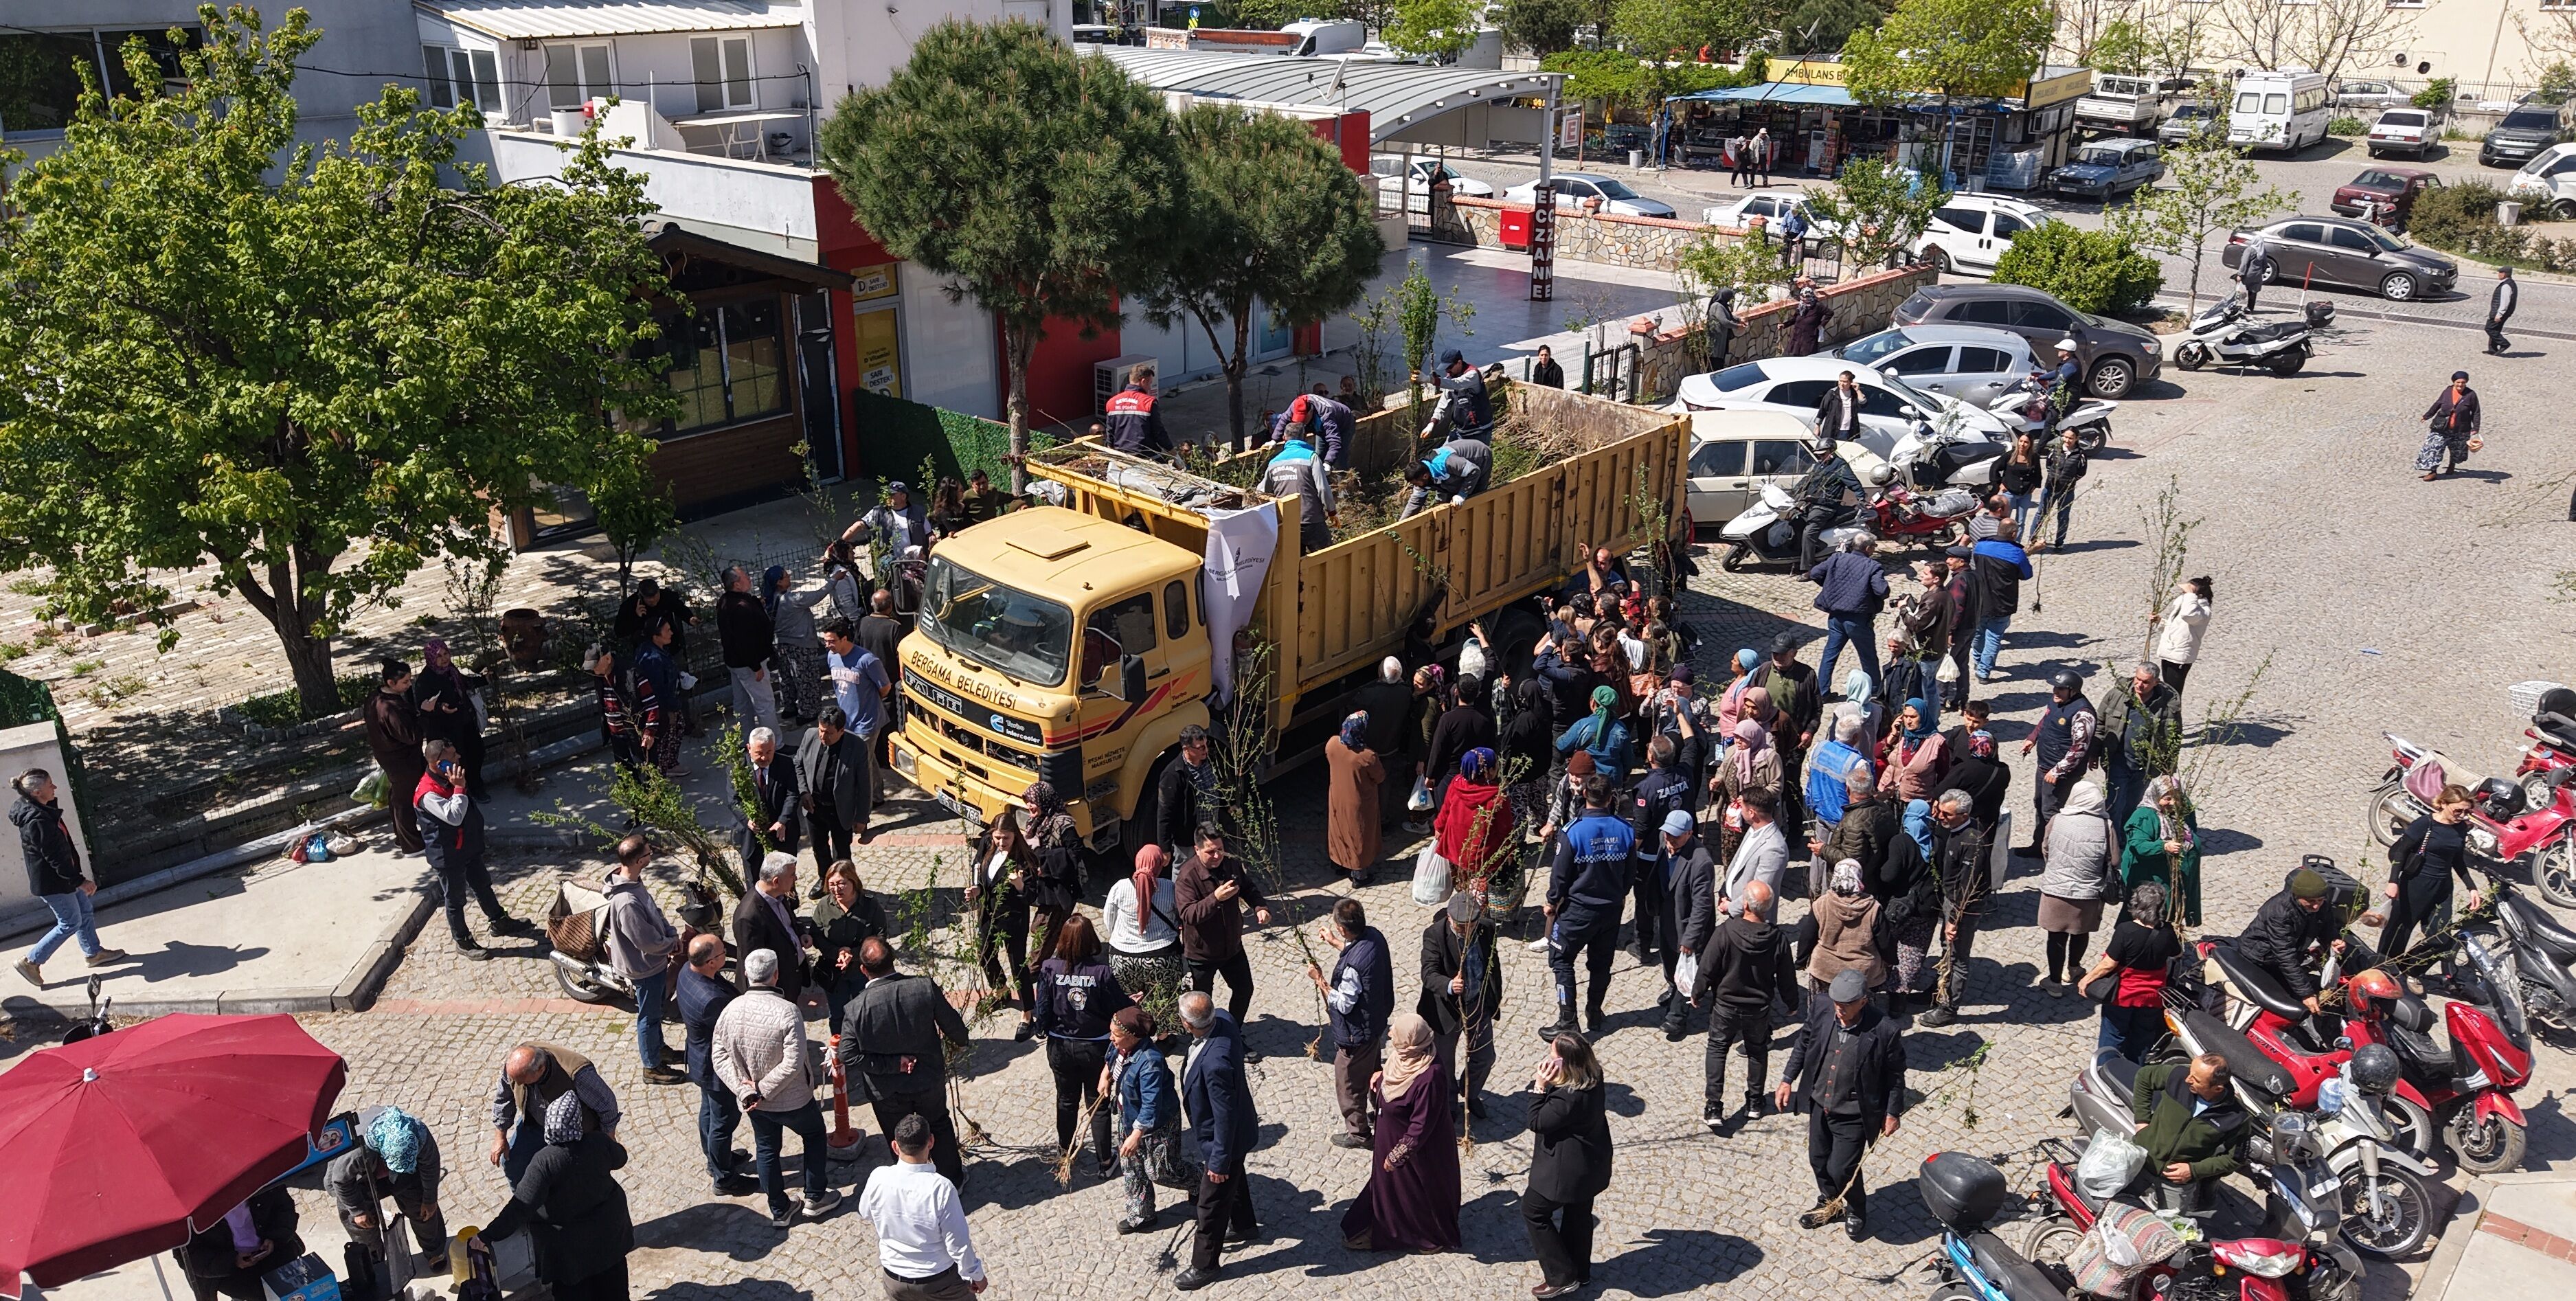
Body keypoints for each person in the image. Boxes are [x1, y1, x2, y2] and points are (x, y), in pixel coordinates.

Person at [1777, 967, 1908, 1240]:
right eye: (1837, 1003)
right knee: (1818, 1160)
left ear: (1863, 1001)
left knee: (1842, 1168)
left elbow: (1895, 1075)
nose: (1839, 1009)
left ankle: (1857, 1208)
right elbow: (1804, 1043)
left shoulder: (1885, 1030)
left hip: (1854, 1113)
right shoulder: (1823, 1008)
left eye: (1846, 1005)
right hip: (1819, 1104)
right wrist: (1788, 1078)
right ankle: (1829, 1203)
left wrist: (1892, 1112)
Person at [714, 947, 839, 1227]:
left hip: (756, 1104)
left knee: (767, 1149)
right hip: (792, 1098)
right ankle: (816, 1197)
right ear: (776, 975)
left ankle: (780, 1209)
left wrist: (746, 1091)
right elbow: (794, 1062)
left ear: (746, 974)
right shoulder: (788, 1011)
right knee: (815, 1136)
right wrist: (761, 1089)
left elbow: (719, 1055)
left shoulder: (730, 1010)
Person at [837, 937, 975, 1186]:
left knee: (899, 1137)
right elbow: (957, 1031)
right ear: (893, 961)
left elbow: (847, 1055)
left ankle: (912, 1186)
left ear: (863, 970)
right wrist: (958, 1042)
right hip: (927, 1079)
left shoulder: (855, 1009)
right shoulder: (923, 987)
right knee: (939, 1127)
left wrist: (892, 1066)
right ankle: (953, 1180)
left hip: (886, 1090)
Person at [484, 1093, 635, 1301]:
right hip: (609, 1237)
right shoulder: (598, 1142)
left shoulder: (545, 1161)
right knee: (615, 1293)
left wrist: (487, 1236)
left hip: (571, 1252)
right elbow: (621, 1158)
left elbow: (521, 1206)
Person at [1340, 1013, 1462, 1253]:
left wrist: (1398, 1155)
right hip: (1388, 1136)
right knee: (1388, 1189)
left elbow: (1422, 1124)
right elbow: (1395, 1073)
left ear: (1412, 1043)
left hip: (1416, 1151)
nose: (1389, 1034)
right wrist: (1382, 1076)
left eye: (1395, 1033)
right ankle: (1377, 1224)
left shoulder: (1430, 1075)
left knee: (1412, 1193)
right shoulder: (1405, 1056)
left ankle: (1419, 1236)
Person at [1033, 914, 1131, 1177]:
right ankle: (1105, 1161)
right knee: (1097, 1103)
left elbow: (1042, 1008)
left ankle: (1065, 1153)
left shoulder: (1049, 969)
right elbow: (1118, 1006)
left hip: (1061, 1045)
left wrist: (1042, 1029)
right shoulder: (1102, 972)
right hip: (1096, 1048)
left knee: (1066, 1100)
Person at [1175, 991, 1261, 1291]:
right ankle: (1245, 1224)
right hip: (1237, 1133)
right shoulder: (1223, 1018)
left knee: (1210, 1203)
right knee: (1236, 1178)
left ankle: (1204, 1265)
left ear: (1188, 1025)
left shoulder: (1215, 1065)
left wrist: (1218, 1161)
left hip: (1223, 1141)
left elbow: (1224, 1117)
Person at [1695, 878, 1795, 1129]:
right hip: (1758, 1009)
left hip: (1726, 1005)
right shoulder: (1778, 939)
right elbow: (1786, 976)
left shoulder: (1726, 932)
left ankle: (1714, 1106)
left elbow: (1708, 967)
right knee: (1758, 1051)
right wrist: (1792, 1002)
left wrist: (1697, 992)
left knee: (1718, 1049)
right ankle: (1755, 1102)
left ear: (1747, 906)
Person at [1541, 773, 1636, 1039]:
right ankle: (1595, 1011)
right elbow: (1630, 874)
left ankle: (1567, 1020)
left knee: (1561, 960)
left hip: (1577, 912)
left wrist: (1551, 901)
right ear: (1610, 798)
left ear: (1585, 795)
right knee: (1601, 964)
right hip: (1611, 910)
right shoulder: (1625, 830)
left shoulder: (1572, 832)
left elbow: (1560, 875)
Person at [1522, 1031, 1614, 1299]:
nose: (1548, 1058)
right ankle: (1580, 1271)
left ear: (1565, 1062)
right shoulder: (1594, 1075)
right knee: (1578, 1215)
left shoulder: (1566, 1098)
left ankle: (1561, 1276)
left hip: (1565, 1171)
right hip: (1591, 1164)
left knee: (1534, 1212)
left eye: (1553, 1056)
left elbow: (1537, 1122)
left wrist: (1539, 1086)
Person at [11, 769, 122, 986]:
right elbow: (56, 858)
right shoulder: (38, 820)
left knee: (85, 911)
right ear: (36, 792)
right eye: (50, 785)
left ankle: (93, 953)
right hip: (54, 883)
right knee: (70, 922)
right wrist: (79, 881)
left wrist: (75, 878)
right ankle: (31, 961)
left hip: (62, 878)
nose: (54, 788)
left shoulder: (39, 807)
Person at [416, 739, 525, 960]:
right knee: (455, 900)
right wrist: (459, 788)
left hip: (466, 847)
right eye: (453, 756)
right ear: (439, 764)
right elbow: (454, 817)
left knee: (483, 885)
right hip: (448, 856)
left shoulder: (449, 779)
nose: (458, 758)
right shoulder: (428, 794)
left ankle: (498, 921)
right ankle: (463, 941)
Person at [859, 1113, 986, 1300]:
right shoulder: (941, 1188)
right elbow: (958, 1244)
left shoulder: (878, 1177)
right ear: (931, 1142)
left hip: (894, 1280)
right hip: (940, 1282)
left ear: (895, 1146)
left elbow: (865, 1213)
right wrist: (976, 1275)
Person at [1308, 896, 1394, 1149]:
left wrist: (1320, 980)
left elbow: (1344, 1003)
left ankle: (1359, 1134)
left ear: (1343, 928)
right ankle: (1384, 1112)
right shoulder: (1374, 937)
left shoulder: (1352, 966)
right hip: (1376, 1021)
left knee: (1348, 1084)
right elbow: (1360, 961)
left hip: (1356, 1033)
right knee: (1373, 1071)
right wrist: (1336, 943)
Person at [677, 934, 760, 1195]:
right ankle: (724, 1178)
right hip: (715, 1067)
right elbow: (736, 1032)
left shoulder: (687, 971)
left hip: (699, 1058)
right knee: (723, 1120)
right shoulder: (711, 1000)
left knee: (709, 1113)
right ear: (711, 962)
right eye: (723, 952)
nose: (727, 953)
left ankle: (715, 1159)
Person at [600, 835, 684, 1082]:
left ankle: (659, 1050)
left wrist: (669, 931)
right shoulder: (627, 901)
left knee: (656, 1012)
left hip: (653, 963)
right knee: (648, 1017)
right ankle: (652, 1067)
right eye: (649, 854)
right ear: (639, 860)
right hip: (644, 968)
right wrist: (671, 944)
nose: (652, 856)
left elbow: (653, 912)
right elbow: (645, 941)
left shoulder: (635, 883)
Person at [1105, 1005, 1195, 1234]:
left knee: (1162, 1171)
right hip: (1128, 1116)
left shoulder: (1150, 1062)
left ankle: (1201, 1182)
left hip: (1157, 1124)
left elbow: (1151, 1104)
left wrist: (1137, 1134)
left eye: (1116, 1035)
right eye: (1111, 1033)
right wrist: (1105, 1076)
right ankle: (1141, 1215)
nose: (1111, 1039)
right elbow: (1110, 1060)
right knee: (1132, 1166)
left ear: (1134, 1037)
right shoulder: (1121, 1046)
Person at [327, 1106, 447, 1276]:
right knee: (359, 1221)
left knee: (424, 1209)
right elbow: (340, 1180)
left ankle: (434, 1251)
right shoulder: (358, 1152)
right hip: (362, 1180)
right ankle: (374, 1262)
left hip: (407, 1175)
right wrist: (358, 1211)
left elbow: (430, 1167)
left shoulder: (420, 1136)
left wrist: (430, 1200)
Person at [1177, 822, 1273, 1031]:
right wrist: (1215, 898)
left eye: (1220, 849)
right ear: (1197, 850)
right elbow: (1188, 915)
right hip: (1202, 954)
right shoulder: (1187, 876)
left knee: (1244, 989)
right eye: (1211, 852)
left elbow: (1248, 888)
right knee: (1202, 1003)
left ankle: (1233, 1031)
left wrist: (1259, 906)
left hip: (1232, 948)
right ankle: (1205, 1037)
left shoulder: (1231, 865)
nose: (1217, 856)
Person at [2126, 1053, 2246, 1215]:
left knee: (2173, 1227)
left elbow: (2234, 1159)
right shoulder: (2177, 1076)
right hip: (2142, 1160)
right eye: (2190, 1072)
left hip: (2176, 1181)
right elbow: (2144, 1076)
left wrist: (2193, 1170)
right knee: (2115, 1201)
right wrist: (2142, 1120)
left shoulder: (2236, 1118)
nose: (2188, 1079)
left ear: (2217, 1088)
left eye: (2196, 1079)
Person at [488, 1041, 622, 1186]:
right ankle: (530, 1205)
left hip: (575, 1136)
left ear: (540, 1069)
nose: (518, 1084)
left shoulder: (577, 1073)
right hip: (537, 1125)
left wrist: (607, 1141)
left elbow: (607, 1106)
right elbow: (504, 1098)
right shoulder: (515, 1067)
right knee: (514, 1166)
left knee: (578, 1182)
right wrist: (500, 1136)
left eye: (524, 1082)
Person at [1421, 890, 1504, 1120]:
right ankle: (1449, 1103)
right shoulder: (1434, 935)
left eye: (1471, 925)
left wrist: (1494, 996)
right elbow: (1428, 974)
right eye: (1461, 926)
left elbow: (1493, 963)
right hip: (1447, 1010)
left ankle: (1470, 1092)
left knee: (1485, 1056)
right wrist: (1449, 985)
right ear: (1449, 919)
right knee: (1444, 1061)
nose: (1466, 931)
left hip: (1478, 1004)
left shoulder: (1486, 928)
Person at [2080, 882, 2181, 1061]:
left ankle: (2105, 1074)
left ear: (2137, 904)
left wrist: (2087, 979)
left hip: (2124, 995)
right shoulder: (2167, 932)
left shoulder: (2126, 930)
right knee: (2142, 1039)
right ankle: (2133, 1073)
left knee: (2113, 1036)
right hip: (2152, 996)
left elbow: (2109, 964)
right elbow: (2177, 953)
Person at [2382, 783, 2482, 963]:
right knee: (2398, 933)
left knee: (2441, 938)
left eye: (2466, 812)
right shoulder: (2424, 824)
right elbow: (2401, 851)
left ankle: (2409, 968)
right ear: (2443, 803)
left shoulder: (2460, 828)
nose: (2462, 816)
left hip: (2442, 888)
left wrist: (2471, 887)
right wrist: (2393, 881)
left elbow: (2457, 859)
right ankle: (2381, 971)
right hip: (2415, 884)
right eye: (2458, 810)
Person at [1918, 790, 1991, 1028]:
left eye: (1947, 814)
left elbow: (1967, 885)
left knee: (1958, 956)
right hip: (1951, 901)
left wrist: (1954, 920)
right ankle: (1939, 991)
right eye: (1940, 811)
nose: (1941, 817)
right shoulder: (1952, 830)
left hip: (1964, 907)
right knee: (1946, 949)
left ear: (1964, 815)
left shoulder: (1973, 841)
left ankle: (1949, 1007)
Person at [2036, 779, 2116, 995]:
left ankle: (2054, 982)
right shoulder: (2105, 825)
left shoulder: (2057, 819)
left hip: (2056, 890)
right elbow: (2115, 859)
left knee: (2056, 936)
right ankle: (2073, 968)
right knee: (2080, 932)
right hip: (2088, 892)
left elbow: (2045, 849)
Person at [2235, 868, 2347, 1015]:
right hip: (2261, 958)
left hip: (2289, 955)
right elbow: (2285, 955)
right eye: (2311, 901)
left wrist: (2333, 940)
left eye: (2320, 901)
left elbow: (2327, 926)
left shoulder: (2321, 904)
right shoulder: (2280, 913)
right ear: (2297, 896)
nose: (2316, 906)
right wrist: (2306, 994)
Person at [964, 811, 1037, 1039]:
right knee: (985, 953)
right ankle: (1001, 990)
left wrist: (1020, 886)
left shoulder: (1024, 859)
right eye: (998, 837)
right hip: (989, 914)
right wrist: (977, 889)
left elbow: (1032, 896)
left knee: (1018, 965)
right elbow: (979, 868)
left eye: (1006, 838)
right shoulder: (988, 844)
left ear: (1015, 836)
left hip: (1013, 919)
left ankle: (1027, 1012)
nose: (1001, 842)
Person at [1103, 844, 1186, 1037]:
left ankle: (1130, 1033)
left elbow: (1110, 920)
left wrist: (1123, 938)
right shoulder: (1168, 887)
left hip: (1123, 957)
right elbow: (1177, 917)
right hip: (1162, 956)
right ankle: (1163, 1036)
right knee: (1164, 997)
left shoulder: (1120, 887)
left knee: (1128, 999)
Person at [1625, 737, 1693, 964]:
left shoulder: (1646, 788)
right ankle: (1672, 942)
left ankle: (1642, 946)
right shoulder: (1685, 773)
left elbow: (1641, 829)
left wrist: (1627, 858)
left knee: (1645, 903)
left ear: (1651, 757)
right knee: (1674, 899)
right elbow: (1691, 745)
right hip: (1682, 849)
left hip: (1651, 856)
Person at [2018, 670, 2098, 854]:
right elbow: (2046, 720)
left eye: (2061, 689)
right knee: (2039, 804)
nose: (2056, 691)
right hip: (2044, 765)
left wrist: (2058, 771)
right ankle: (2038, 846)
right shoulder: (2056, 702)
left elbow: (2079, 748)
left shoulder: (2083, 714)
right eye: (2055, 687)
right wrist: (2032, 738)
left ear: (2073, 691)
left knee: (2051, 812)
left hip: (2059, 773)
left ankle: (2054, 852)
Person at [176, 1186, 300, 1301]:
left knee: (295, 1284)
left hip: (273, 1249)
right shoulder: (189, 1205)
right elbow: (190, 1257)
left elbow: (284, 1208)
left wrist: (274, 1238)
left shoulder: (258, 1179)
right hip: (226, 1269)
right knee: (262, 1294)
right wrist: (233, 1261)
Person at [2099, 661, 2182, 825]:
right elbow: (2100, 724)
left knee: (2133, 805)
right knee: (2114, 803)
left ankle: (2127, 837)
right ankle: (2114, 842)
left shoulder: (2167, 706)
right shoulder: (2117, 695)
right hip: (2118, 762)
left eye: (2146, 682)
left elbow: (2174, 738)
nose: (2140, 685)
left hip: (2145, 767)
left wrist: (2169, 768)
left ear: (2156, 683)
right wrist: (2094, 753)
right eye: (2138, 679)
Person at [1020, 782, 1086, 980]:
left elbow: (1075, 852)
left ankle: (1032, 973)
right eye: (1027, 802)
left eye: (1032, 801)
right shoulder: (1038, 820)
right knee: (1042, 929)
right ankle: (1068, 954)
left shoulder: (1062, 823)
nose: (1029, 806)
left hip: (1060, 889)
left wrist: (1044, 860)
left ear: (1044, 800)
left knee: (1044, 932)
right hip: (1045, 888)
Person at [2121, 775, 2205, 929]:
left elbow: (2192, 829)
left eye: (2177, 798)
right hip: (2153, 879)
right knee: (2152, 917)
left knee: (2170, 916)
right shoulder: (2144, 816)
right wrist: (2163, 847)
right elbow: (2138, 845)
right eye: (2167, 798)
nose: (2173, 803)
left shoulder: (2182, 809)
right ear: (2155, 796)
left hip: (2176, 880)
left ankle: (2168, 939)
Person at [1809, 536, 1887, 694]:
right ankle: (1874, 691)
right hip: (1858, 619)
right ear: (1867, 548)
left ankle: (1822, 692)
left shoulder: (1837, 558)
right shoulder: (1873, 566)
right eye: (1874, 546)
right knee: (1868, 657)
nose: (1875, 549)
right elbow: (1882, 591)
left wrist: (1830, 586)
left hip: (1836, 617)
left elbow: (1815, 573)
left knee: (1830, 654)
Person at [365, 660, 429, 855]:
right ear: (391, 683)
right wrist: (425, 713)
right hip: (402, 759)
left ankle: (401, 837)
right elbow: (411, 736)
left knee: (397, 796)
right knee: (404, 800)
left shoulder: (376, 697)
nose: (409, 685)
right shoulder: (390, 708)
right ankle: (412, 844)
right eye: (405, 682)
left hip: (389, 756)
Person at [412, 637, 487, 800]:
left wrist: (485, 679)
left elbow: (463, 683)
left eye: (446, 654)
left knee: (477, 752)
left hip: (465, 721)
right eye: (439, 656)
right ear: (431, 658)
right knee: (459, 761)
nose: (444, 658)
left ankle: (476, 785)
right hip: (446, 729)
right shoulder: (426, 680)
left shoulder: (450, 670)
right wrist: (440, 708)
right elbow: (422, 705)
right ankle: (463, 791)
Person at [813, 858, 891, 1015]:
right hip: (834, 973)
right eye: (832, 884)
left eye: (841, 883)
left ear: (853, 881)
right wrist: (837, 953)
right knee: (837, 1015)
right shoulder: (824, 905)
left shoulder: (871, 905)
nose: (836, 889)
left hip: (862, 972)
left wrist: (853, 954)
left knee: (865, 1013)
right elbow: (817, 935)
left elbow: (880, 938)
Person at [732, 852, 811, 1004]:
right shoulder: (748, 918)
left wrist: (800, 934)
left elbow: (788, 921)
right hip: (778, 988)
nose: (796, 878)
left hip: (792, 976)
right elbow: (756, 966)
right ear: (776, 881)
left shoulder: (779, 894)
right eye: (792, 875)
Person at [797, 705, 872, 864]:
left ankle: (844, 883)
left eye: (829, 733)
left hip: (840, 810)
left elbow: (864, 785)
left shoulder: (857, 747)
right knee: (819, 848)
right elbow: (798, 763)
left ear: (841, 731)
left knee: (842, 853)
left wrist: (861, 817)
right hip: (814, 808)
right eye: (821, 730)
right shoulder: (810, 736)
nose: (823, 737)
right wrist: (804, 791)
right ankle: (824, 879)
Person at [1436, 747, 1516, 892]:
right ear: (1489, 771)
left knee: (1462, 885)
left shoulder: (1456, 783)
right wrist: (1509, 850)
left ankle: (1462, 904)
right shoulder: (1497, 797)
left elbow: (1445, 810)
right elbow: (1505, 829)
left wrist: (1439, 828)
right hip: (1481, 856)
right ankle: (1476, 910)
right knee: (1479, 891)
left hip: (1456, 849)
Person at [716, 565, 783, 736]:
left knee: (742, 704)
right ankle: (774, 744)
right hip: (750, 664)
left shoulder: (726, 600)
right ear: (737, 584)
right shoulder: (741, 608)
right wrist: (756, 666)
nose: (749, 577)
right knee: (765, 703)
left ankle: (746, 740)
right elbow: (744, 641)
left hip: (735, 662)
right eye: (744, 576)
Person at [1805, 861, 1886, 1001]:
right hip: (1862, 972)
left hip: (1825, 968)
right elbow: (1884, 941)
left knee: (1823, 1009)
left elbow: (1808, 935)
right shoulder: (1873, 908)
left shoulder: (1822, 903)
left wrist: (1801, 959)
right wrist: (1890, 961)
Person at [1324, 712, 1387, 887]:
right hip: (1359, 802)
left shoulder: (1332, 744)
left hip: (1337, 796)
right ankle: (1359, 875)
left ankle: (1337, 862)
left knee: (1338, 829)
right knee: (1359, 834)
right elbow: (1380, 777)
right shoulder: (1367, 756)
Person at [765, 565, 833, 726]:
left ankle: (789, 707)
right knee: (806, 679)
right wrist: (834, 581)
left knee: (787, 678)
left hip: (781, 644)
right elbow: (818, 595)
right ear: (779, 582)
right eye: (786, 576)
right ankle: (808, 712)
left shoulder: (769, 600)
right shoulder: (792, 600)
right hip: (800, 645)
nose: (789, 576)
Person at [1966, 523, 2031, 682]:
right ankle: (1983, 671)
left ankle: (1977, 661)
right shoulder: (2017, 553)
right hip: (2003, 602)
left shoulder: (1981, 546)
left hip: (1980, 599)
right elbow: (2026, 575)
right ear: (2014, 533)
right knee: (1994, 637)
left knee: (1979, 633)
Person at [1261, 422, 1338, 552]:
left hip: (1286, 523)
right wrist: (1332, 511)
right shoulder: (1311, 457)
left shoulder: (1274, 463)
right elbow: (1323, 489)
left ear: (1284, 438)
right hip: (1312, 521)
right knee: (1326, 562)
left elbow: (1261, 492)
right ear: (1305, 437)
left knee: (1294, 566)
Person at [1789, 439, 1862, 573]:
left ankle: (1809, 569)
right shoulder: (1819, 465)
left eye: (1823, 454)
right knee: (1795, 522)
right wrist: (1793, 492)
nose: (1820, 457)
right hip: (1812, 504)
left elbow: (1854, 483)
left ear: (1832, 451)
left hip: (1825, 507)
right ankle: (1795, 555)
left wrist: (1861, 498)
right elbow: (1807, 480)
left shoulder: (1840, 466)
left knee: (1809, 532)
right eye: (1818, 455)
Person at [1718, 786, 1788, 918]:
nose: (1740, 811)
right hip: (1735, 905)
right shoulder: (1753, 829)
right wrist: (1725, 889)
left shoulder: (1774, 849)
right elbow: (1738, 862)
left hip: (1751, 917)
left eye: (1742, 807)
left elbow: (1759, 893)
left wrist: (1731, 907)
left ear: (1751, 813)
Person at [1156, 725, 1221, 864]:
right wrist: (1165, 848)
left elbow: (1220, 784)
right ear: (1186, 749)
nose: (1206, 750)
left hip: (1210, 830)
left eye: (1206, 744)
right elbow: (1165, 813)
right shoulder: (1173, 774)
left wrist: (1231, 803)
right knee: (1184, 869)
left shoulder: (1209, 761)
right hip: (1189, 837)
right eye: (1200, 747)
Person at [632, 618, 686, 775]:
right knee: (665, 738)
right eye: (667, 630)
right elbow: (657, 690)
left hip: (669, 702)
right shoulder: (653, 660)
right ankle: (661, 774)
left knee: (677, 730)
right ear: (656, 636)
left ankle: (670, 765)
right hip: (662, 708)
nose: (672, 633)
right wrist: (668, 711)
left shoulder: (654, 650)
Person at [1556, 683, 1636, 782]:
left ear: (1593, 702)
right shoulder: (1621, 729)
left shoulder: (1583, 724)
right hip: (1611, 782)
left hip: (1585, 781)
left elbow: (1562, 745)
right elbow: (1628, 759)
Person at [1878, 699, 1948, 804]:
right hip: (1887, 795)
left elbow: (1943, 774)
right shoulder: (1901, 735)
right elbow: (1877, 754)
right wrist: (1893, 735)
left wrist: (1937, 799)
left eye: (1913, 717)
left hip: (1916, 801)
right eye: (1906, 716)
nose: (1908, 721)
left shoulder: (1937, 743)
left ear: (1922, 717)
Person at [1399, 438, 1492, 517]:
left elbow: (1474, 471)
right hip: (1459, 468)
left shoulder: (1446, 463)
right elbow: (1415, 503)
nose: (1416, 486)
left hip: (1480, 456)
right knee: (1450, 500)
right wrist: (1400, 526)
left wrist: (1462, 494)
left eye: (1416, 484)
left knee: (1475, 496)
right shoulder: (1422, 476)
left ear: (1425, 476)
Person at [2033, 427, 2091, 553]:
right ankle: (2032, 540)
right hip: (2050, 488)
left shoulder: (2080, 454)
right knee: (2041, 514)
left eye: (2071, 438)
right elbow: (2049, 465)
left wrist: (2070, 480)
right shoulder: (2056, 450)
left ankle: (2059, 543)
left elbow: (2082, 472)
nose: (2067, 440)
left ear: (2076, 439)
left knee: (2063, 517)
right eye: (2065, 437)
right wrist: (2053, 477)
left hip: (2067, 490)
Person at [2151, 577, 2214, 694]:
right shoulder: (2185, 606)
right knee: (2167, 692)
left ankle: (2174, 713)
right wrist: (2159, 621)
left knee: (2173, 695)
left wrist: (2190, 594)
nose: (2183, 595)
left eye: (2186, 592)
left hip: (2179, 658)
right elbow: (2175, 628)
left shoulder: (2203, 611)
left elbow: (2188, 615)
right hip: (2169, 654)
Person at [2418, 370, 2481, 481]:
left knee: (2457, 450)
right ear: (2454, 382)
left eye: (2463, 382)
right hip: (2442, 427)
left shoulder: (2471, 395)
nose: (2460, 385)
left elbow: (2476, 412)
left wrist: (2475, 428)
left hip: (2461, 428)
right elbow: (2438, 404)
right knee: (2434, 448)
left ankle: (2452, 465)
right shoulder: (2447, 392)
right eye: (2458, 382)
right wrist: (2428, 415)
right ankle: (2433, 472)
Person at [1426, 349, 1494, 441]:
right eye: (1446, 368)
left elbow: (1457, 384)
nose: (1448, 370)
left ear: (1459, 363)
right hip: (1461, 431)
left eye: (1450, 367)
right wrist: (1433, 422)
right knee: (1446, 453)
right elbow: (1443, 403)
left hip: (1479, 431)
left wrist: (1430, 380)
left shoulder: (1472, 375)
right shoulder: (1451, 378)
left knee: (1475, 455)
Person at [1939, 547, 1977, 711]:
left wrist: (1949, 631)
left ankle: (1940, 700)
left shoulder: (1959, 581)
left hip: (1959, 631)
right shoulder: (1974, 577)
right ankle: (1961, 699)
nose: (1948, 561)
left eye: (1952, 558)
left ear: (1962, 562)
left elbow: (1956, 608)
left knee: (1945, 664)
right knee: (1962, 664)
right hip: (1971, 627)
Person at [1106, 368, 1173, 456]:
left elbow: (1110, 433)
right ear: (1143, 381)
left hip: (1122, 456)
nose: (1150, 388)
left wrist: (1113, 455)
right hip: (1146, 456)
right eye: (1150, 383)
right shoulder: (1148, 402)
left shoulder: (1112, 402)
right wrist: (1174, 454)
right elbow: (1159, 432)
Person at [1992, 433, 2043, 537]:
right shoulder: (2009, 455)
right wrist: (2000, 484)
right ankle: (2003, 542)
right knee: (2005, 520)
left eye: (2026, 442)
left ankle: (2017, 543)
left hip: (2025, 494)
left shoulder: (2034, 457)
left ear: (2030, 444)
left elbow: (2038, 475)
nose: (2023, 444)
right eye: (2021, 441)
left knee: (2020, 522)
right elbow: (1994, 468)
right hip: (2009, 493)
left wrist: (2034, 486)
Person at [1785, 288, 1829, 358]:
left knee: (1808, 357)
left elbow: (1829, 313)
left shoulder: (1818, 306)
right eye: (1802, 297)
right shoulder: (1801, 306)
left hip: (1809, 336)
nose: (1803, 299)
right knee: (1795, 356)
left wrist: (1822, 325)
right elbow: (1795, 319)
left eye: (1805, 297)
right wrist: (1784, 325)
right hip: (1798, 336)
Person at [2237, 236, 2274, 313]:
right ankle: (2250, 308)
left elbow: (2244, 263)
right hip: (2257, 275)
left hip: (2248, 274)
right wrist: (2262, 272)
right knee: (2253, 292)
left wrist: (2240, 274)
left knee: (2239, 290)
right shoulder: (2263, 251)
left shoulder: (2250, 250)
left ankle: (2234, 305)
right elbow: (2265, 264)